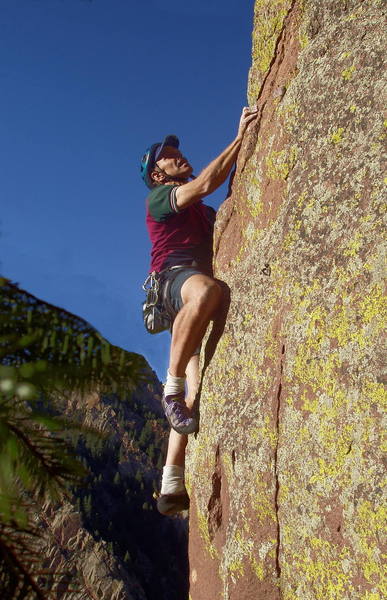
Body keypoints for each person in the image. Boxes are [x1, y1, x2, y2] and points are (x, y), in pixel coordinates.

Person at [140, 106, 258, 515]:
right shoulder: (159, 198)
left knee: (198, 391)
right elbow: (208, 181)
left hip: (183, 308)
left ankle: (171, 482)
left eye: (176, 151)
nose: (177, 155)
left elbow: (225, 200)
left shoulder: (202, 214)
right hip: (176, 282)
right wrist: (241, 137)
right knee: (206, 291)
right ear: (158, 174)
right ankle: (168, 388)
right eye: (169, 155)